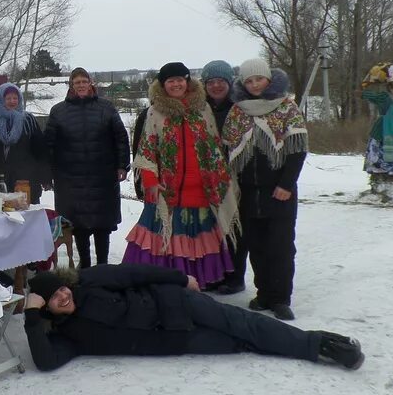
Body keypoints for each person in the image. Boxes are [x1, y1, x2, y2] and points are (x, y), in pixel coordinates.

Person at [22, 265, 364, 372]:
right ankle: (307, 345)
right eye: (53, 299)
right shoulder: (68, 335)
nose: (62, 296)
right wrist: (31, 316)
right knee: (240, 343)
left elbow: (133, 273)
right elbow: (46, 361)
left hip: (177, 304)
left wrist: (178, 279)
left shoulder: (90, 281)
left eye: (60, 290)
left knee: (242, 323)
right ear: (49, 309)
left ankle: (321, 344)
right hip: (175, 340)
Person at [122, 62, 238, 287]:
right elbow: (146, 151)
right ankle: (163, 282)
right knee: (164, 240)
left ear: (188, 82)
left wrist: (219, 183)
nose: (176, 84)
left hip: (200, 191)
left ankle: (200, 281)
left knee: (195, 240)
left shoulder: (203, 109)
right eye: (170, 81)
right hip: (166, 192)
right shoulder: (155, 112)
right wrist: (150, 182)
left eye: (180, 80)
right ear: (163, 85)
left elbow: (214, 148)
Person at [223, 59, 308, 321]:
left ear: (268, 79)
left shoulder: (286, 108)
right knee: (256, 246)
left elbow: (297, 149)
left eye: (258, 79)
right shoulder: (237, 112)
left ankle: (281, 298)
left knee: (280, 247)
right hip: (247, 193)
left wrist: (286, 184)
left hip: (278, 192)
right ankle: (263, 294)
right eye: (248, 81)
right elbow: (228, 150)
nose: (254, 84)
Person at [46, 67, 130, 267]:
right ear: (71, 85)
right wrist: (48, 172)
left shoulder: (106, 108)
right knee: (78, 225)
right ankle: (84, 264)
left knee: (103, 224)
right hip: (70, 178)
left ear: (91, 83)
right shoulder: (58, 111)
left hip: (102, 176)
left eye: (84, 81)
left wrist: (122, 165)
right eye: (77, 82)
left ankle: (102, 265)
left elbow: (120, 139)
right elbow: (49, 144)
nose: (81, 85)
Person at [201, 58, 248, 295]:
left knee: (234, 226)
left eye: (221, 81)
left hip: (235, 176)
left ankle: (235, 277)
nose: (216, 86)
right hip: (207, 178)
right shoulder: (201, 108)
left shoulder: (240, 108)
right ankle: (215, 274)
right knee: (212, 229)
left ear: (230, 82)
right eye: (211, 81)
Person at [0, 82, 50, 204]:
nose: (12, 101)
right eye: (8, 98)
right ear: (0, 100)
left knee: (27, 219)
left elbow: (40, 151)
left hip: (25, 181)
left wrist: (45, 177)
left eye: (15, 98)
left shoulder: (28, 121)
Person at [360, 62, 393, 177]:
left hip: (386, 127)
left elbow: (368, 94)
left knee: (376, 142)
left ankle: (382, 166)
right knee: (387, 145)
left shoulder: (385, 96)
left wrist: (363, 89)